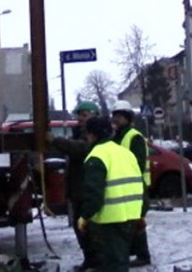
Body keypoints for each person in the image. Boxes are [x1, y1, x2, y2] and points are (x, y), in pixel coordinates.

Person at [77, 116, 145, 272]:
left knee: (113, 262)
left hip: (110, 218)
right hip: (130, 215)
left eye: (87, 134)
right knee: (121, 259)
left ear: (92, 135)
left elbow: (94, 194)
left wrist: (84, 217)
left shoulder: (96, 156)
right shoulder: (125, 153)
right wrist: (141, 213)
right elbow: (140, 184)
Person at [47, 100, 100, 271]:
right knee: (81, 228)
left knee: (89, 228)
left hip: (87, 190)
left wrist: (55, 140)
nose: (80, 119)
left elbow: (79, 149)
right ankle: (90, 259)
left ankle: (96, 260)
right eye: (79, 115)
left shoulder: (94, 135)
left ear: (93, 115)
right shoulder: (79, 133)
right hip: (79, 189)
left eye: (84, 115)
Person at [111, 101, 151, 268]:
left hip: (135, 185)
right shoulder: (118, 136)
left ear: (127, 117)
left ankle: (143, 255)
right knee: (127, 221)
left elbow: (138, 163)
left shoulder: (134, 137)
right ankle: (132, 253)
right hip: (124, 185)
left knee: (135, 220)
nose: (116, 119)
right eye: (115, 116)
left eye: (119, 116)